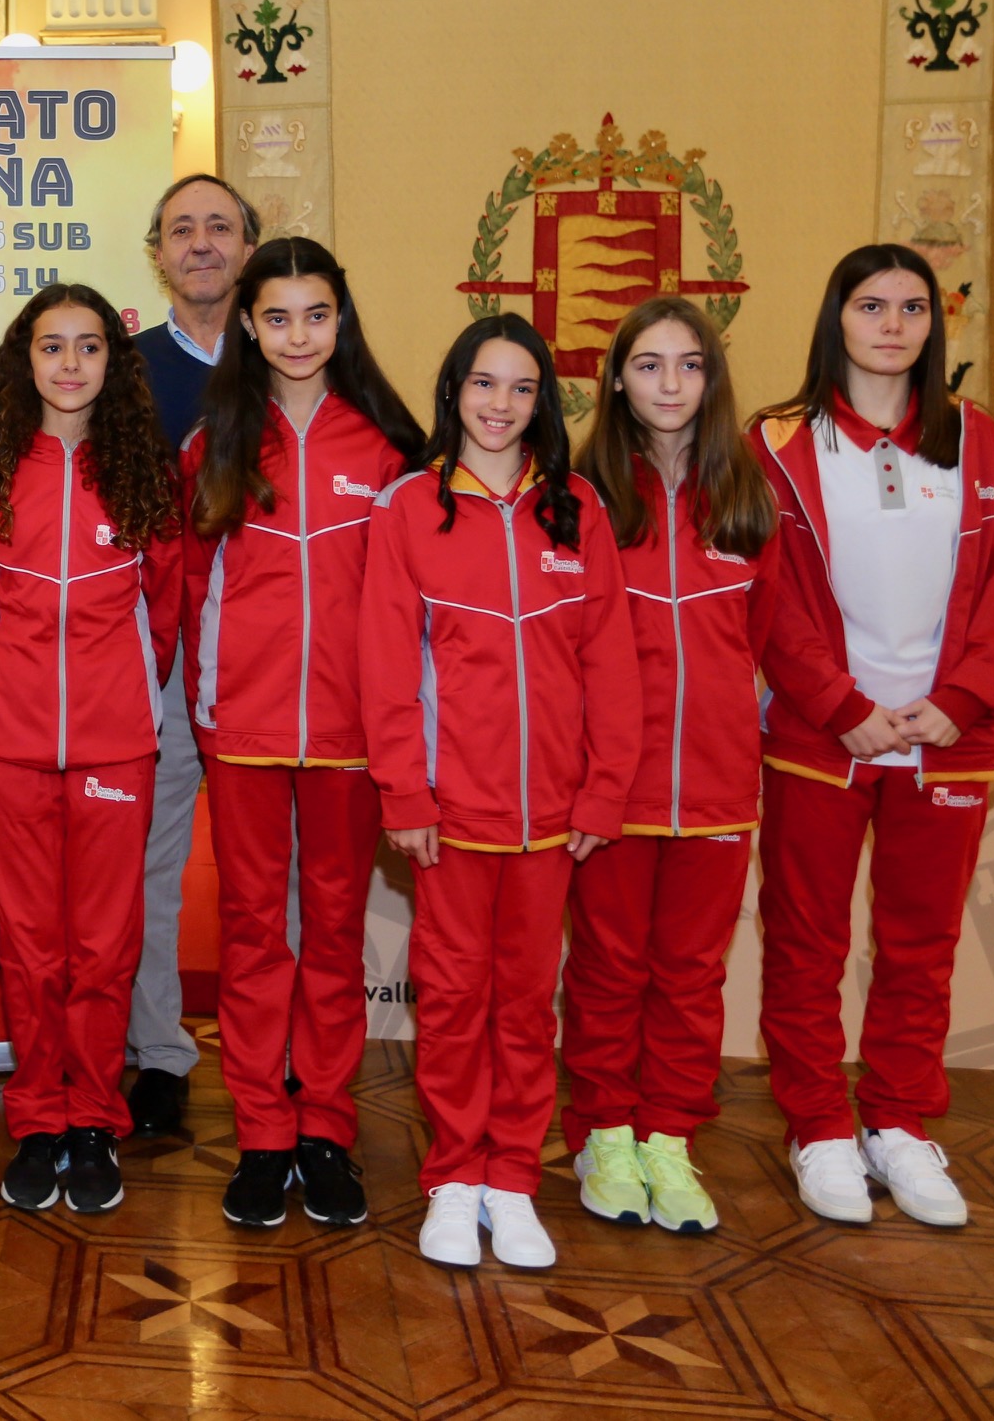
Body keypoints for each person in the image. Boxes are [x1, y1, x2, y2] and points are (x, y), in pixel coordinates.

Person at [751, 245, 994, 1231]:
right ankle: (819, 1124)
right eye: (871, 305)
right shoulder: (778, 442)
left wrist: (963, 697)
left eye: (913, 307)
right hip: (823, 739)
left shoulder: (975, 439)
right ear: (837, 316)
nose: (893, 324)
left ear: (933, 324)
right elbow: (769, 599)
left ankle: (899, 1121)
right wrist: (841, 706)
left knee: (922, 947)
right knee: (806, 942)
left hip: (947, 738)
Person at [361, 314, 640, 1271]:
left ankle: (513, 1176)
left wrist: (602, 794)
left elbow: (612, 664)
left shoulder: (578, 507)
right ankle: (453, 1175)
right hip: (450, 815)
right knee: (450, 1001)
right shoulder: (408, 506)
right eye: (485, 383)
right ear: (454, 391)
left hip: (552, 821)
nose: (501, 404)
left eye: (523, 388)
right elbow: (385, 667)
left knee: (525, 1004)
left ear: (543, 403)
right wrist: (405, 794)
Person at [181, 238, 423, 1231]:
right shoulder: (216, 444)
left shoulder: (389, 449)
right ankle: (261, 1133)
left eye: (315, 315)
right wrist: (209, 709)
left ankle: (324, 1126)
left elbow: (411, 608)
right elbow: (193, 589)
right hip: (241, 731)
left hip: (351, 738)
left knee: (332, 932)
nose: (296, 336)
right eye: (276, 317)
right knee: (251, 934)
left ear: (340, 320)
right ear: (248, 324)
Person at [0, 284, 183, 1216]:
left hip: (116, 749)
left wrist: (118, 702)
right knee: (33, 946)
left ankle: (94, 1118)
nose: (71, 363)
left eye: (89, 346)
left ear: (114, 364)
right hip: (10, 748)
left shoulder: (144, 478)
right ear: (26, 360)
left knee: (104, 946)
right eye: (53, 346)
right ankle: (40, 1117)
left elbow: (162, 616)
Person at [558, 298, 776, 1238]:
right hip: (617, 788)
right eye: (649, 365)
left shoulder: (747, 497)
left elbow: (763, 638)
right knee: (608, 969)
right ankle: (605, 1133)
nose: (671, 383)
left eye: (690, 365)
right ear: (617, 380)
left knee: (690, 976)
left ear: (712, 379)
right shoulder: (584, 498)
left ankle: (669, 1135)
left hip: (720, 787)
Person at [125, 174, 261, 1135]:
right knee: (150, 866)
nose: (202, 243)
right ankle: (159, 1053)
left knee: (274, 876)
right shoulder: (123, 372)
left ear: (249, 245)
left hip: (269, 662)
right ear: (158, 253)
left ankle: (277, 1053)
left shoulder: (292, 353)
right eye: (183, 229)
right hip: (161, 657)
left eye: (220, 226)